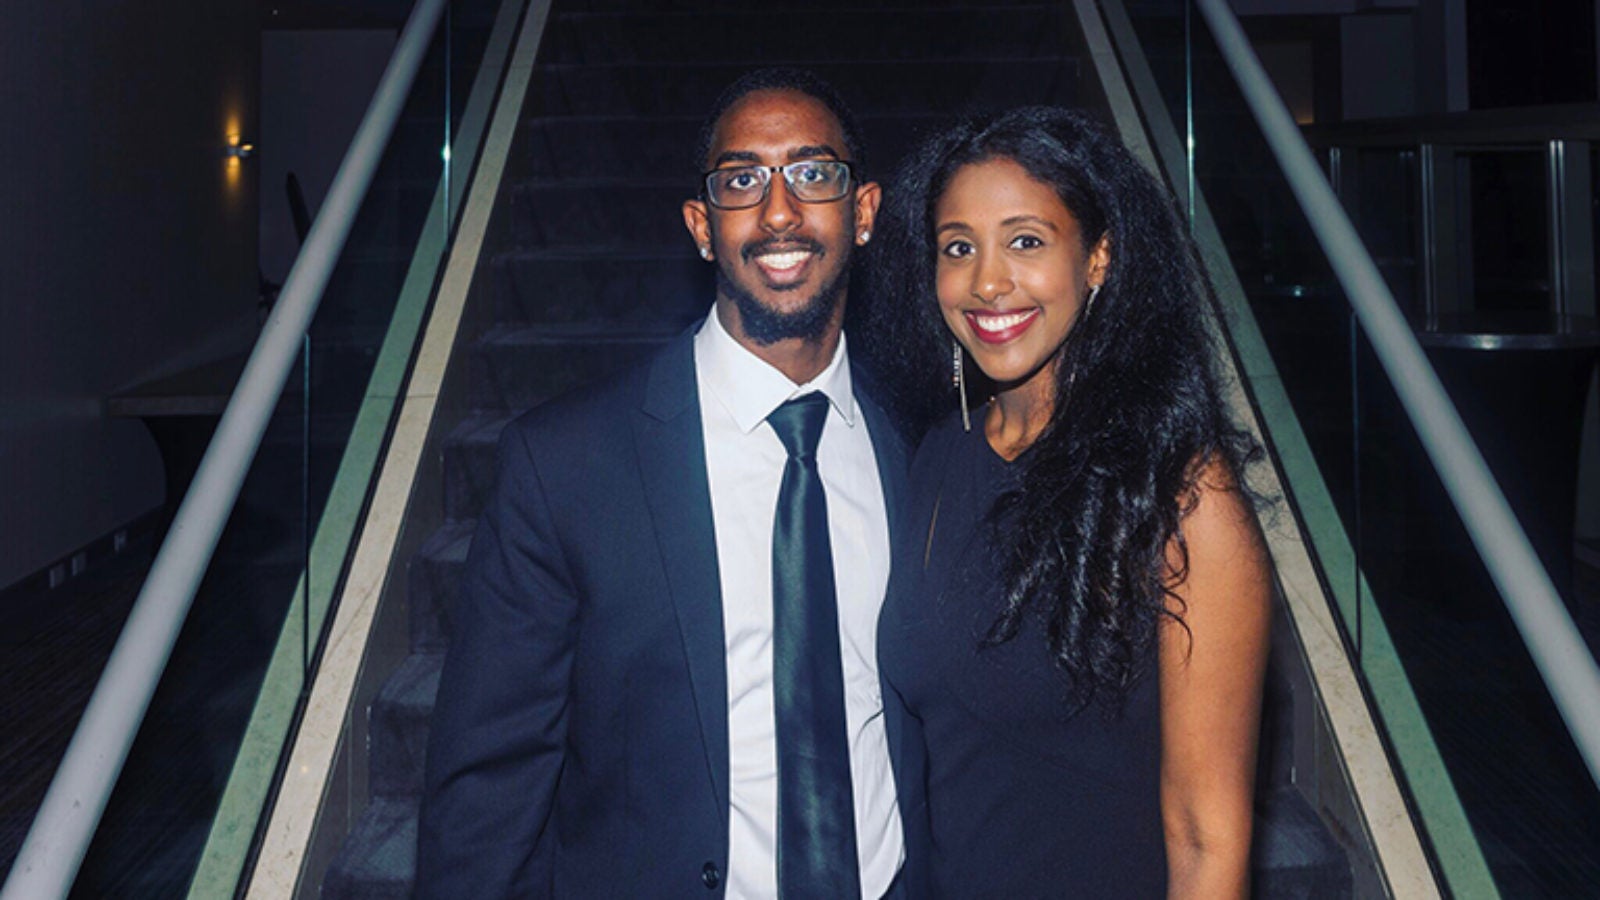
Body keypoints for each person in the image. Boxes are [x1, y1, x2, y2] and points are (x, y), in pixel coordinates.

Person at [417, 68, 925, 898]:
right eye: (741, 180)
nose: (779, 211)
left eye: (812, 172)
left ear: (863, 212)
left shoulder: (920, 449)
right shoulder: (565, 465)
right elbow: (488, 788)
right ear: (702, 226)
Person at [864, 106, 1272, 898]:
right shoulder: (940, 456)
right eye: (958, 248)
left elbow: (1205, 837)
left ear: (1098, 258)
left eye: (1025, 240)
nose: (987, 281)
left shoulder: (1182, 496)